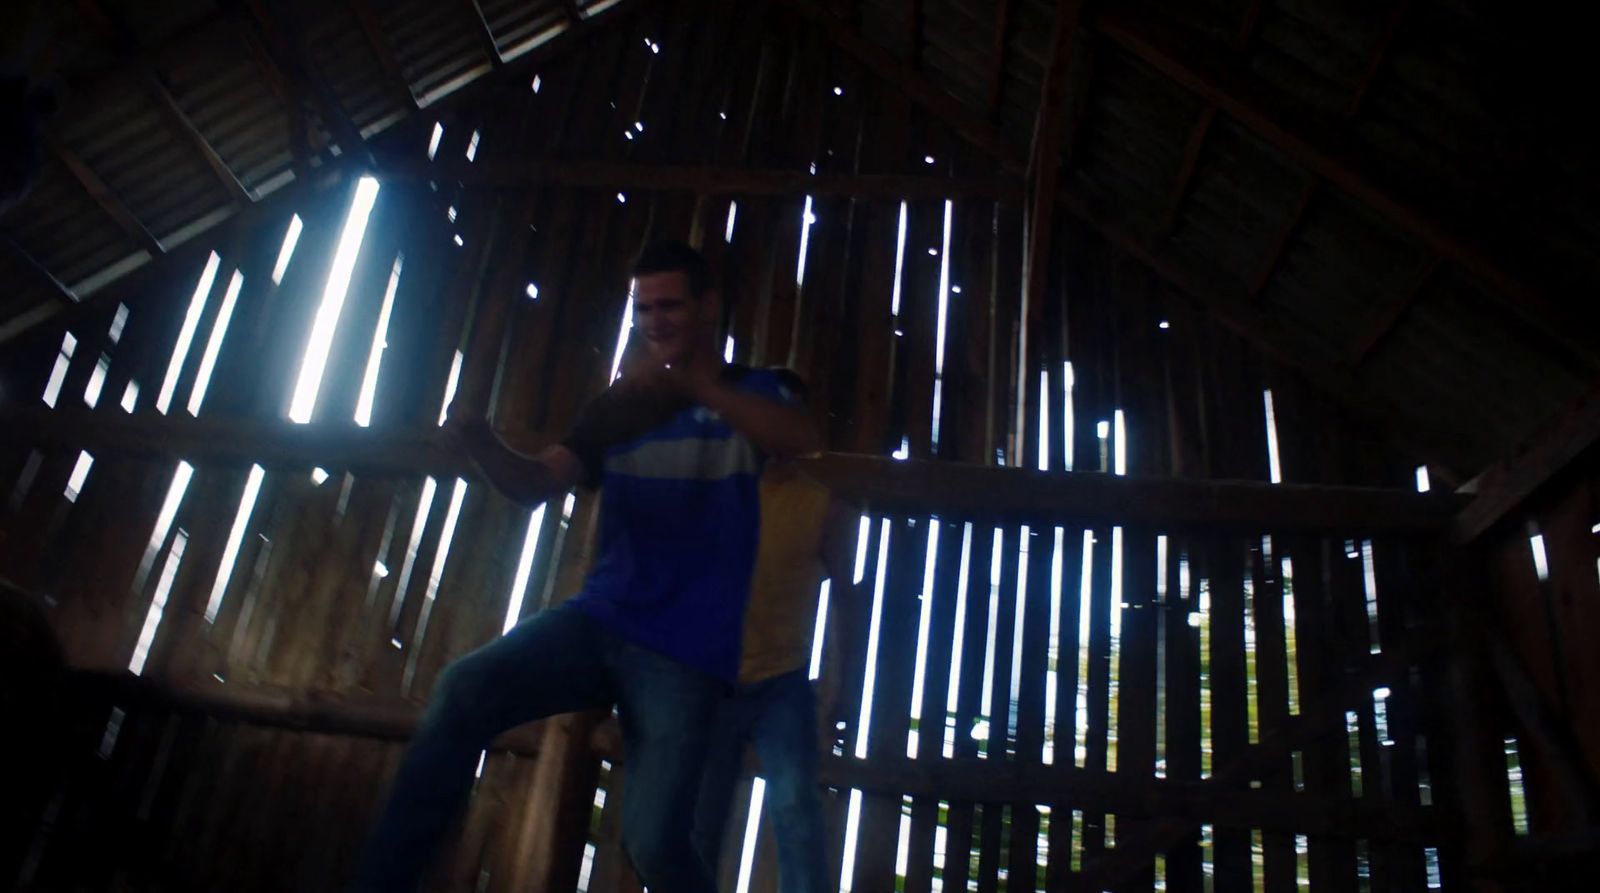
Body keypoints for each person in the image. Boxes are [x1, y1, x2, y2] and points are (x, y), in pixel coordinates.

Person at [351, 241, 819, 893]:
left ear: (709, 307)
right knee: (463, 689)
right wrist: (483, 446)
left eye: (670, 305)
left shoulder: (753, 394)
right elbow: (538, 483)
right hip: (597, 621)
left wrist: (694, 385)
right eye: (643, 308)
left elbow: (798, 438)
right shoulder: (616, 408)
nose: (656, 320)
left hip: (686, 657)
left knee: (654, 843)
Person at [691, 455, 865, 892]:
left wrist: (844, 685)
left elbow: (846, 600)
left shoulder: (823, 506)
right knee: (701, 819)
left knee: (797, 815)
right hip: (714, 678)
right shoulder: (718, 493)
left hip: (782, 683)